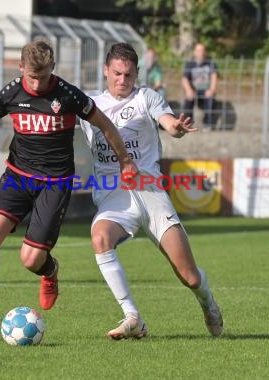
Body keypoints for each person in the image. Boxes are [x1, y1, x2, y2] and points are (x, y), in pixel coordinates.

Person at [0, 40, 137, 340]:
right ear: (21, 68)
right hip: (18, 175)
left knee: (30, 259)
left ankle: (50, 271)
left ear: (53, 69)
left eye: (44, 77)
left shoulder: (68, 94)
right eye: (32, 77)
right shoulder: (11, 92)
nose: (37, 83)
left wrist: (125, 161)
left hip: (55, 182)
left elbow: (105, 124)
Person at [80, 42, 223, 339]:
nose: (122, 80)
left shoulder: (146, 97)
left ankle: (207, 302)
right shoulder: (89, 103)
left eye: (129, 75)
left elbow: (167, 121)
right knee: (100, 237)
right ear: (106, 70)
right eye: (117, 73)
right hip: (114, 196)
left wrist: (176, 127)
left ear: (137, 74)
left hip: (151, 194)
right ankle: (132, 317)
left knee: (189, 276)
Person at [181, 42, 218, 130]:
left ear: (205, 52)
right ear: (194, 52)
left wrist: (212, 89)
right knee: (188, 98)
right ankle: (187, 124)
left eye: (202, 50)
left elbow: (214, 77)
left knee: (210, 98)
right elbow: (184, 79)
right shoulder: (189, 64)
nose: (200, 52)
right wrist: (188, 90)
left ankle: (208, 124)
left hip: (206, 89)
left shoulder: (211, 63)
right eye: (198, 50)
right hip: (193, 90)